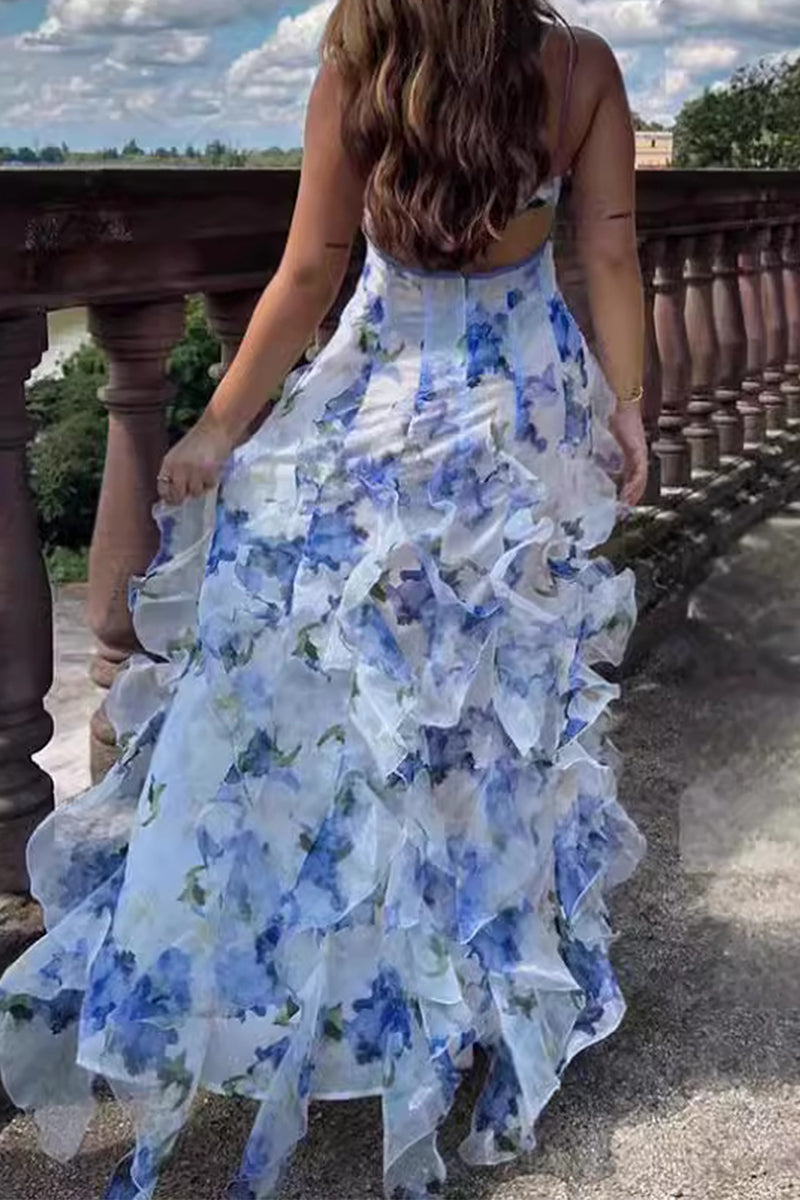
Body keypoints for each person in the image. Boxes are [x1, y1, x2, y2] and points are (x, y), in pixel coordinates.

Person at [0, 3, 648, 1198]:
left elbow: (309, 271)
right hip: (520, 427)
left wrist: (216, 426)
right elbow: (607, 255)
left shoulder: (363, 63)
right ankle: (468, 992)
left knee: (341, 722)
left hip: (380, 425)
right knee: (490, 728)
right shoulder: (578, 67)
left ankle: (353, 998)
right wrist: (627, 405)